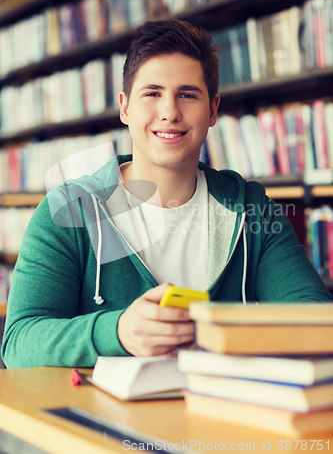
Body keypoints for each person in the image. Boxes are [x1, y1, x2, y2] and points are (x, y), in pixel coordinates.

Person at [2, 19, 332, 369]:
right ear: (125, 107)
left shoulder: (252, 210)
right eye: (152, 93)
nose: (170, 112)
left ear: (213, 110)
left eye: (187, 94)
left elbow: (314, 321)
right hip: (102, 421)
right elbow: (19, 343)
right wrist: (116, 333)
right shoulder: (69, 210)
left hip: (223, 413)